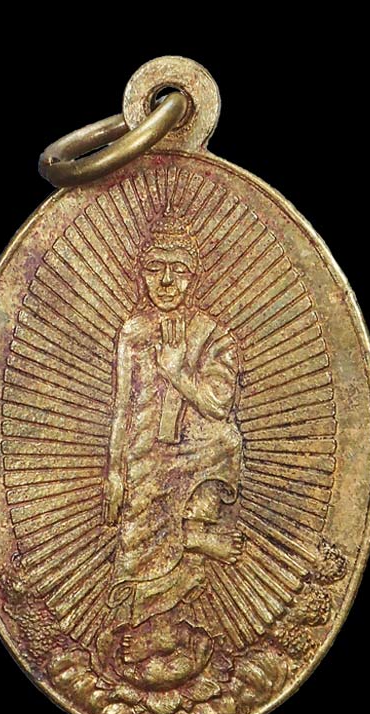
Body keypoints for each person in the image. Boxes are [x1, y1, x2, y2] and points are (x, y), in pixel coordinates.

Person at [102, 214, 243, 662]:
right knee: (138, 539)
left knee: (227, 439)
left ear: (192, 275)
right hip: (144, 456)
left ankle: (194, 532)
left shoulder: (213, 335)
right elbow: (122, 407)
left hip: (193, 455)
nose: (165, 281)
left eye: (177, 269)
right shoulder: (133, 332)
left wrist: (177, 371)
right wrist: (114, 472)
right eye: (154, 268)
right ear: (141, 273)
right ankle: (153, 627)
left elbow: (218, 405)